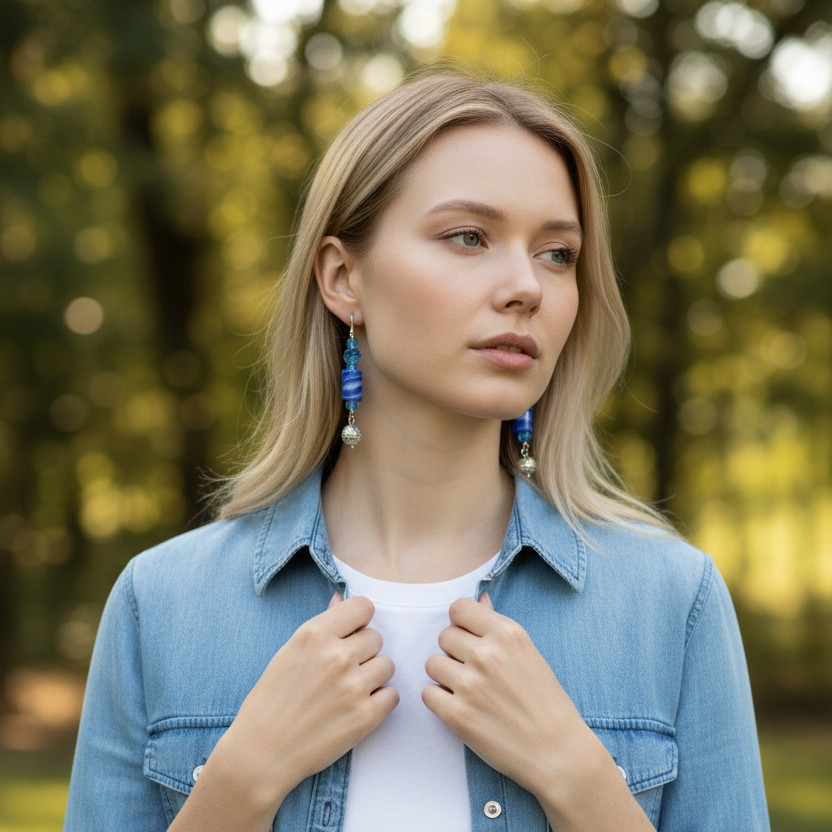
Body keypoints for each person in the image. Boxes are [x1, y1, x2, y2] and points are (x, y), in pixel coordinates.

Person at [63, 71, 770, 832]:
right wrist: (236, 786)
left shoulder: (673, 602)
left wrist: (584, 784)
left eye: (558, 253)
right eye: (469, 236)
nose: (525, 285)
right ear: (343, 279)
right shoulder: (161, 605)